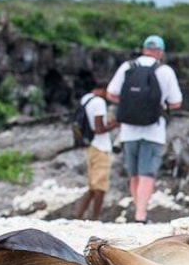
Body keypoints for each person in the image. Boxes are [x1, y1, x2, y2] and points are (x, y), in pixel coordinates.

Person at [106, 35, 183, 223]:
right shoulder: (164, 71)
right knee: (147, 173)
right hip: (153, 131)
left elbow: (111, 93)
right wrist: (158, 106)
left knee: (134, 174)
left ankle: (138, 210)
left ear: (144, 49)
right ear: (160, 52)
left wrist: (128, 104)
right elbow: (176, 102)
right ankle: (141, 215)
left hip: (128, 131)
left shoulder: (127, 67)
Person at [74, 87, 118, 220]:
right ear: (101, 89)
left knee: (93, 185)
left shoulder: (86, 99)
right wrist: (114, 125)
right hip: (100, 146)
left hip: (90, 146)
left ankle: (78, 215)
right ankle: (95, 218)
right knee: (100, 186)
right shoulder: (99, 102)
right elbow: (98, 129)